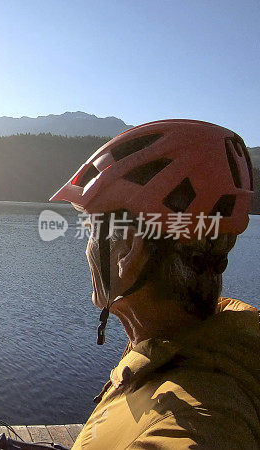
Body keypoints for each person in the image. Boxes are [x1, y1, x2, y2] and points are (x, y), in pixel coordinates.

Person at [50, 119, 259, 448]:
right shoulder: (187, 347)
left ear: (129, 252)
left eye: (91, 230)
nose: (87, 246)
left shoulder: (193, 424)